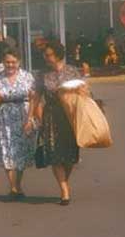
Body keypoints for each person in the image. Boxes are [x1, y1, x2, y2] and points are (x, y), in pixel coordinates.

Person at [33, 40, 86, 206]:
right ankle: (64, 191)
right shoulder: (42, 74)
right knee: (55, 155)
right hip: (51, 116)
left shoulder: (72, 71)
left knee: (70, 156)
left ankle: (64, 181)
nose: (45, 57)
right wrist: (35, 117)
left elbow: (84, 92)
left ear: (58, 55)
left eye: (48, 54)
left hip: (70, 116)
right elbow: (36, 97)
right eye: (44, 55)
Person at [0, 49, 35, 198]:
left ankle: (18, 183)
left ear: (19, 62)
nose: (10, 65)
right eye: (7, 62)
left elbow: (33, 99)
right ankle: (12, 187)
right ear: (3, 62)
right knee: (6, 150)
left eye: (13, 62)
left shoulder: (27, 76)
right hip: (3, 117)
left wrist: (30, 118)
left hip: (22, 115)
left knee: (20, 151)